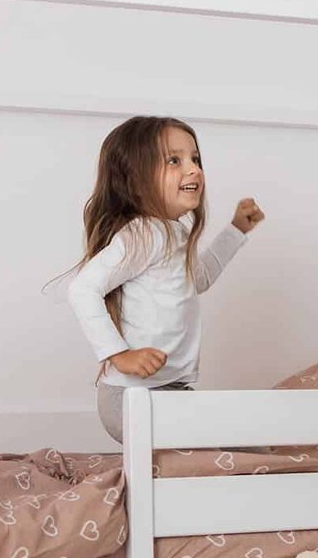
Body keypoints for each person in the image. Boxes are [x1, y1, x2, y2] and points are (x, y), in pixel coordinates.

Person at [67, 116, 264, 442]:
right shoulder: (144, 234)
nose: (194, 170)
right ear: (135, 181)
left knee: (242, 441)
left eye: (195, 159)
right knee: (237, 442)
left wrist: (236, 230)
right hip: (132, 397)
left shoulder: (172, 232)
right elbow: (83, 289)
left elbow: (199, 279)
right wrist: (119, 354)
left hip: (167, 391)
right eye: (174, 160)